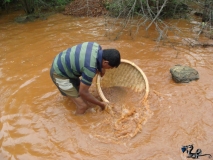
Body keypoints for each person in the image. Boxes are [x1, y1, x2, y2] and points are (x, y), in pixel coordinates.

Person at [50, 42, 121, 114]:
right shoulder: (90, 69)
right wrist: (101, 104)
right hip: (59, 74)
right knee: (83, 106)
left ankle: (72, 97)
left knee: (78, 94)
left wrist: (102, 68)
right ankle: (76, 122)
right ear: (105, 62)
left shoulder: (96, 46)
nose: (108, 69)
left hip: (61, 60)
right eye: (109, 67)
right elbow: (83, 92)